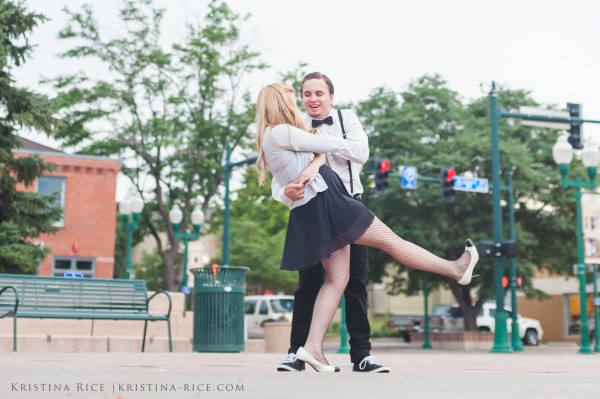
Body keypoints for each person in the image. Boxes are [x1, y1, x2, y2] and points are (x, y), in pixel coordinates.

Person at [255, 82, 479, 372]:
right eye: (295, 97)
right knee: (392, 243)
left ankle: (312, 348)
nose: (302, 102)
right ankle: (455, 269)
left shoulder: (277, 135)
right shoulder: (285, 131)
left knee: (338, 281)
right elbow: (324, 147)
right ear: (281, 103)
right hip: (331, 204)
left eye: (317, 93)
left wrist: (314, 162)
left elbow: (317, 154)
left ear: (330, 96)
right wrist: (321, 145)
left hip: (317, 209)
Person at [271, 72, 387, 373]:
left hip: (349, 210)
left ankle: (362, 355)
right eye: (307, 94)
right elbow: (277, 180)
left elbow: (361, 152)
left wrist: (323, 142)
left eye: (319, 93)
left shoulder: (347, 119)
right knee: (308, 285)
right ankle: (296, 353)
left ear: (331, 97)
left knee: (356, 285)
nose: (313, 99)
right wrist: (286, 192)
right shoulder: (292, 128)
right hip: (312, 213)